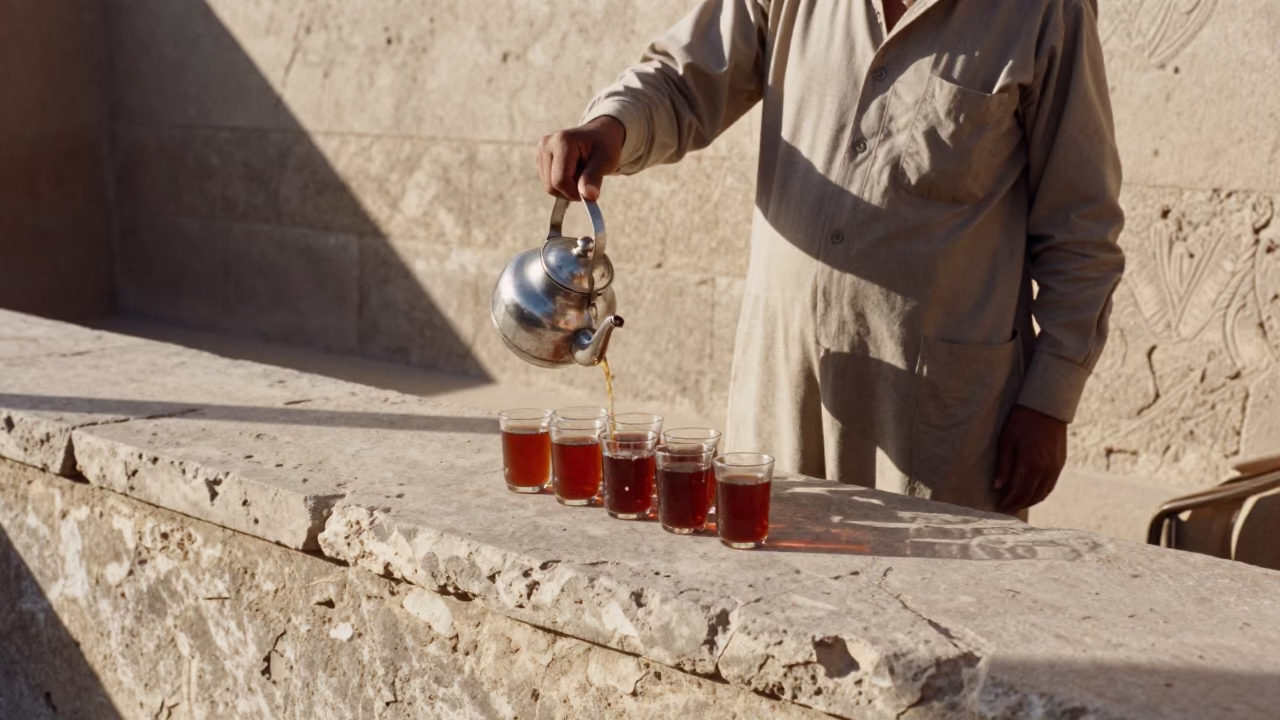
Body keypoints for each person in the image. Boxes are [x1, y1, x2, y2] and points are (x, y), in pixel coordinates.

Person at [536, 0, 1124, 516]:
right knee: (773, 593)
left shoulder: (1046, 12)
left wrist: (1048, 401)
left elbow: (1080, 227)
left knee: (930, 611)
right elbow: (683, 80)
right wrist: (610, 126)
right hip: (783, 388)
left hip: (939, 414)